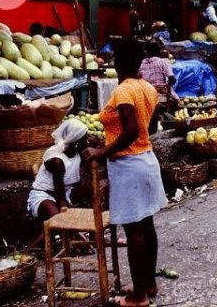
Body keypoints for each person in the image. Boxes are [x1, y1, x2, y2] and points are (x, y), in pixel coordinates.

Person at [82, 39, 168, 306]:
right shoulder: (147, 88)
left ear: (118, 64)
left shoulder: (122, 91)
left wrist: (101, 152)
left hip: (129, 165)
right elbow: (146, 128)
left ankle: (138, 296)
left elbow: (131, 131)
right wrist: (108, 142)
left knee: (134, 231)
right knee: (147, 225)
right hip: (147, 159)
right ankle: (148, 283)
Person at [26, 119, 89, 248]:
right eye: (84, 138)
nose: (87, 140)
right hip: (45, 195)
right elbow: (60, 198)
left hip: (65, 194)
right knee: (58, 222)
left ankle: (79, 237)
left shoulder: (77, 153)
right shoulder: (57, 161)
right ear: (76, 142)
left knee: (98, 186)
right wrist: (71, 219)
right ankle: (27, 253)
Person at [139, 42, 178, 134]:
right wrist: (167, 84)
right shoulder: (163, 62)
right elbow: (172, 79)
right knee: (176, 101)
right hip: (161, 96)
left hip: (144, 96)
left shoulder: (140, 64)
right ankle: (169, 123)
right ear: (158, 51)